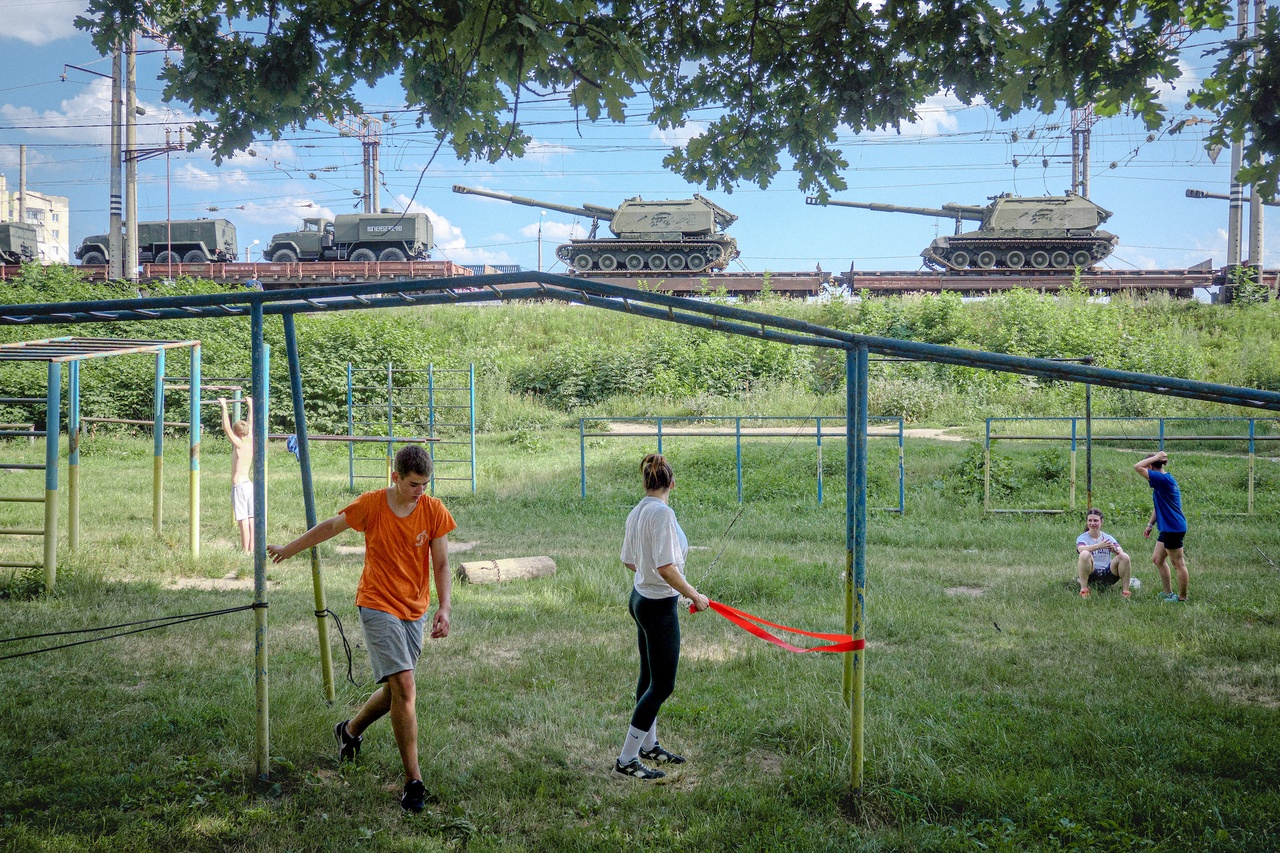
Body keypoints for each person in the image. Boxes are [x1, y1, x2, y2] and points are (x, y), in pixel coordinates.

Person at [266, 445, 455, 812]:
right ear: (395, 477)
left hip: (414, 609)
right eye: (415, 484)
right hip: (376, 603)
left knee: (395, 691)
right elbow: (331, 526)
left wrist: (444, 607)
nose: (421, 491)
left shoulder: (434, 510)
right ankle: (413, 781)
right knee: (405, 685)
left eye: (426, 484)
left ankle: (349, 731)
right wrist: (290, 549)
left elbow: (443, 564)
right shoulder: (372, 504)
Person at [615, 453, 709, 781]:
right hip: (658, 607)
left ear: (646, 482)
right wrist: (693, 594)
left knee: (649, 676)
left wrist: (655, 576)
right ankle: (627, 759)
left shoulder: (637, 511)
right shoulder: (663, 514)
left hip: (639, 599)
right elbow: (666, 567)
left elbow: (631, 562)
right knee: (663, 684)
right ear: (672, 483)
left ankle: (648, 745)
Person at [1134, 450, 1189, 603]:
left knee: (1178, 563)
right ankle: (1167, 592)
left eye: (1148, 467)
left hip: (1173, 527)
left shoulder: (1162, 479)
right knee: (1158, 559)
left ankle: (1182, 598)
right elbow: (1159, 506)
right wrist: (1150, 524)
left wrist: (1155, 458)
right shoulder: (1162, 481)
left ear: (1151, 466)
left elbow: (1137, 467)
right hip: (1166, 527)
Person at [218, 396, 254, 553]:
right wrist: (251, 406)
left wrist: (224, 406)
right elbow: (250, 424)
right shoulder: (250, 440)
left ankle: (245, 550)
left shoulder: (238, 444)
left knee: (243, 520)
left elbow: (226, 428)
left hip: (239, 486)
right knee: (251, 518)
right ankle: (251, 548)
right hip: (249, 484)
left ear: (236, 433)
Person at [1075, 508, 1132, 599]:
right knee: (1084, 554)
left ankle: (1126, 592)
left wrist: (1114, 550)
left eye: (1095, 520)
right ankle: (1084, 590)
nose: (1092, 523)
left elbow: (1120, 551)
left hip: (1108, 573)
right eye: (1090, 520)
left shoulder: (1108, 537)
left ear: (1101, 521)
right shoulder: (1083, 537)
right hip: (1091, 573)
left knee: (1124, 556)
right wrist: (1099, 545)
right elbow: (1081, 549)